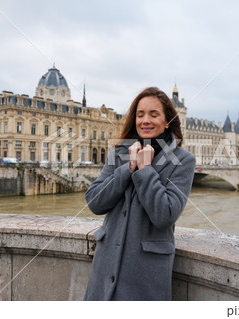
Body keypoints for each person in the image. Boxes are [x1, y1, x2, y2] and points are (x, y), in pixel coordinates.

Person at [84, 87, 196, 301]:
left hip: (146, 275)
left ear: (167, 121)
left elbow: (165, 215)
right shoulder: (118, 153)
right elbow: (95, 202)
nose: (146, 120)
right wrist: (128, 168)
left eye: (154, 115)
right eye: (140, 114)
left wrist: (145, 170)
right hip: (104, 268)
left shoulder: (183, 160)